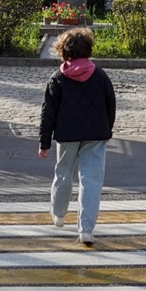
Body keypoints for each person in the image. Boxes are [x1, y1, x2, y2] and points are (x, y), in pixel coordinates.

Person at [39, 26, 115, 246]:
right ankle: (86, 229)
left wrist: (44, 143)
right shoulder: (100, 76)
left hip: (67, 135)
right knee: (91, 181)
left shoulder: (57, 79)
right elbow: (111, 105)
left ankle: (59, 214)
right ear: (89, 49)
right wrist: (106, 129)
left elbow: (48, 113)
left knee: (63, 174)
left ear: (63, 51)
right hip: (95, 135)